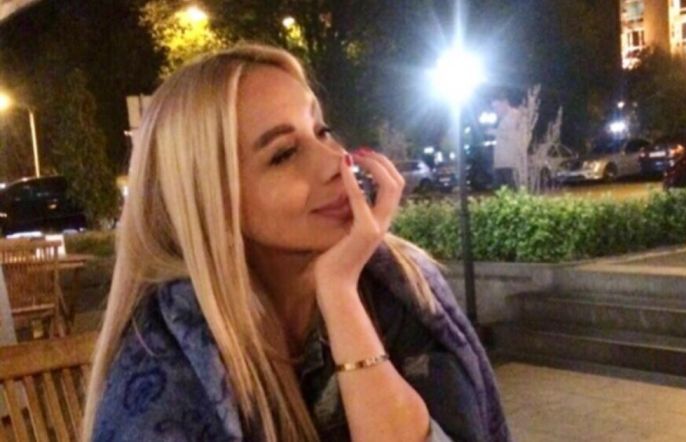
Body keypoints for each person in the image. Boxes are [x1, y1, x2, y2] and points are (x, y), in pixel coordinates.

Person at [81, 44, 509, 442]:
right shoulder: (168, 363)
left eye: (322, 131)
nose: (335, 161)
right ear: (209, 201)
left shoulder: (398, 286)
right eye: (284, 154)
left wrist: (340, 292)